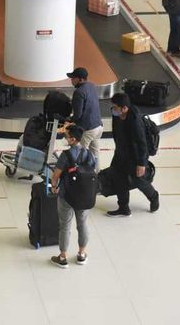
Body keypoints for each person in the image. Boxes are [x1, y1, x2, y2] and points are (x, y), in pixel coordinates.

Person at [50, 125, 97, 268]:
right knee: (82, 224)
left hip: (67, 195)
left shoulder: (65, 155)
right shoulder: (89, 154)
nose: (65, 138)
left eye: (67, 136)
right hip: (84, 195)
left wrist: (53, 187)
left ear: (73, 139)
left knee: (65, 225)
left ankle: (63, 257)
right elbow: (93, 171)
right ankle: (82, 254)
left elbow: (56, 175)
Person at [107, 93, 159, 217]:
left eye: (115, 107)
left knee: (138, 180)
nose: (112, 110)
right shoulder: (117, 116)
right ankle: (123, 207)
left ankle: (153, 196)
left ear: (124, 108)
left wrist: (141, 163)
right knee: (118, 178)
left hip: (135, 157)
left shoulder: (135, 121)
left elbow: (142, 144)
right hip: (120, 153)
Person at [66, 68, 103, 164]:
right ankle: (96, 175)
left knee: (79, 154)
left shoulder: (79, 92)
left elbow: (78, 115)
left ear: (81, 79)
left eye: (73, 78)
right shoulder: (91, 86)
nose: (71, 80)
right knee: (94, 154)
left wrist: (68, 120)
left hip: (88, 130)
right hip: (98, 126)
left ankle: (81, 176)